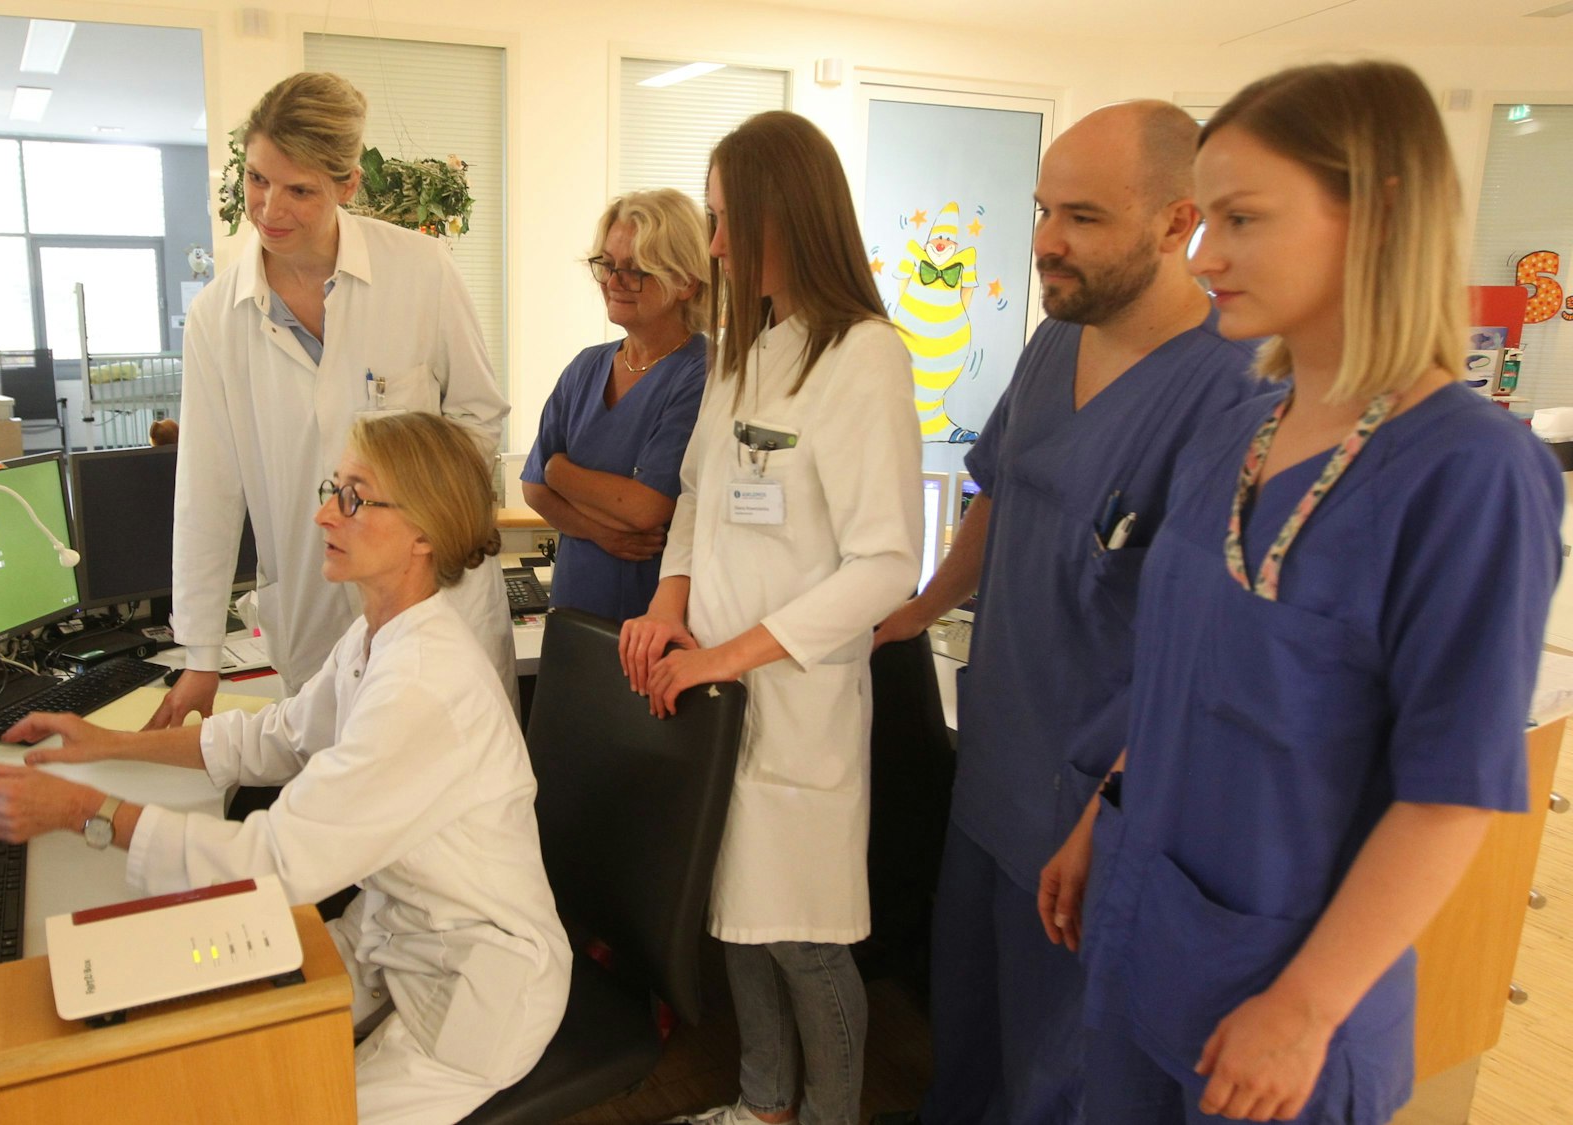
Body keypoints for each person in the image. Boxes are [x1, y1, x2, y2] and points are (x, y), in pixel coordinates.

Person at [1043, 61, 1561, 1124]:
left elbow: (1449, 790)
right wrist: (1107, 809)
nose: (1203, 254)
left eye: (1240, 218)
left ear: (1374, 215)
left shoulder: (1464, 471)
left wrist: (1305, 1007)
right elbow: (1188, 674)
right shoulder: (1239, 425)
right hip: (1148, 926)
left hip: (1284, 986)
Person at [0, 412, 572, 1125]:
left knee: (278, 1101)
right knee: (208, 1042)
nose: (321, 513)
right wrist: (100, 741)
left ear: (423, 532)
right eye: (331, 487)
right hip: (396, 942)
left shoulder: (425, 687)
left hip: (475, 992)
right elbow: (271, 738)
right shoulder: (380, 636)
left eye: (353, 496)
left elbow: (280, 862)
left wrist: (82, 810)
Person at [872, 102, 1261, 1125]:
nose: (1045, 241)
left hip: (1090, 803)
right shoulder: (1056, 341)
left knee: (1057, 1073)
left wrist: (1113, 811)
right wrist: (919, 608)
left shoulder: (1233, 393)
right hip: (996, 763)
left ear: (1177, 222)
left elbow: (1209, 645)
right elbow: (999, 490)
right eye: (1042, 210)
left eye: (1081, 218)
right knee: (965, 1032)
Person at [621, 111, 923, 1125]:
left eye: (721, 221)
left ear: (783, 217)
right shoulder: (742, 351)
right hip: (716, 690)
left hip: (794, 703)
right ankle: (763, 1109)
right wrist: (669, 608)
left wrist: (732, 654)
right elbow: (702, 497)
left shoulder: (863, 357)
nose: (708, 247)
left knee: (804, 936)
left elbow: (886, 562)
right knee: (736, 921)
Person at [149, 71, 515, 727]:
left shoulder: (422, 272)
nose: (270, 209)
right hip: (314, 612)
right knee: (334, 802)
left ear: (347, 185)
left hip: (436, 601)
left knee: (452, 799)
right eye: (258, 179)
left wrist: (409, 516)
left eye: (300, 190)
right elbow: (207, 490)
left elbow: (479, 415)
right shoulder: (217, 318)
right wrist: (200, 652)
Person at [521, 189, 711, 622]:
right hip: (573, 606)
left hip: (652, 620)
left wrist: (561, 472)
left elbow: (647, 508)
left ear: (686, 281)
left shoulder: (702, 374)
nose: (612, 282)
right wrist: (600, 531)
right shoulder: (586, 367)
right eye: (607, 265)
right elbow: (534, 489)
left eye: (635, 270)